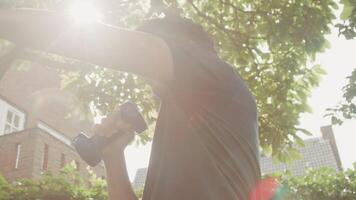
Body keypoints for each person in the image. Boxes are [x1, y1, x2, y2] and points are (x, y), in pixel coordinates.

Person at [0, 9, 261, 200]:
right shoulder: (189, 119)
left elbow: (108, 44)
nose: (145, 79)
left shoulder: (214, 73)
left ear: (183, 47)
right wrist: (113, 156)